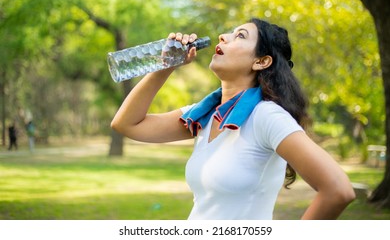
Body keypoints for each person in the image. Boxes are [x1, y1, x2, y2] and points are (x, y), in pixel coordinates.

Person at [111, 18, 355, 220]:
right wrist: (165, 66)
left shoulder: (266, 116)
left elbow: (338, 190)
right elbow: (127, 124)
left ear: (262, 61)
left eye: (240, 36)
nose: (223, 37)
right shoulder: (204, 114)